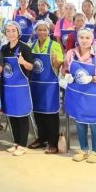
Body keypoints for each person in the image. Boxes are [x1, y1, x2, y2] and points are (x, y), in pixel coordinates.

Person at [63, 28, 96, 163]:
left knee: (94, 122)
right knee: (79, 120)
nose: (84, 40)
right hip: (76, 94)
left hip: (91, 95)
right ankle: (83, 150)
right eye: (81, 37)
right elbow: (64, 68)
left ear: (92, 40)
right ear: (77, 39)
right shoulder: (71, 54)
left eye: (87, 38)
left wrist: (92, 78)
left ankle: (95, 151)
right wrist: (66, 75)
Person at [28, 20, 63, 153]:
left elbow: (59, 64)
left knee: (50, 114)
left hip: (49, 86)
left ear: (49, 31)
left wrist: (56, 61)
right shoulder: (31, 46)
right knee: (38, 113)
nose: (42, 32)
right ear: (36, 31)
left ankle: (53, 143)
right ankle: (41, 139)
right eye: (40, 29)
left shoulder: (55, 45)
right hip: (35, 85)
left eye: (45, 30)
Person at [0, 21, 35, 156]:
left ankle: (23, 145)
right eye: (8, 31)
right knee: (12, 115)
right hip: (8, 87)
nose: (11, 33)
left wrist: (23, 62)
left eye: (13, 30)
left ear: (18, 32)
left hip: (21, 87)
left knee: (21, 115)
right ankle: (15, 142)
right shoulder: (4, 48)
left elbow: (31, 67)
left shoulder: (25, 48)